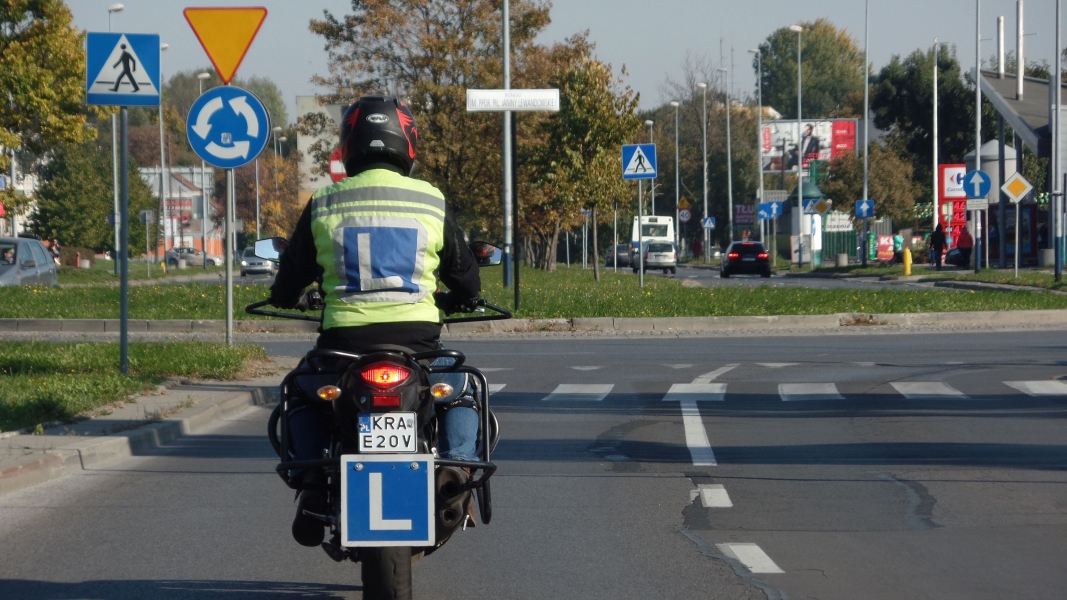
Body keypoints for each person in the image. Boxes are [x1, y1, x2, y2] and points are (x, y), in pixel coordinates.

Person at [269, 96, 482, 548]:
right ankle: (457, 469)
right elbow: (465, 275)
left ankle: (312, 480)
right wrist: (464, 298)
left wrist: (286, 296)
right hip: (420, 348)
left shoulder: (325, 201)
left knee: (300, 392)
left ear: (348, 144)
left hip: (342, 350)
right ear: (408, 143)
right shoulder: (430, 199)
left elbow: (290, 276)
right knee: (463, 389)